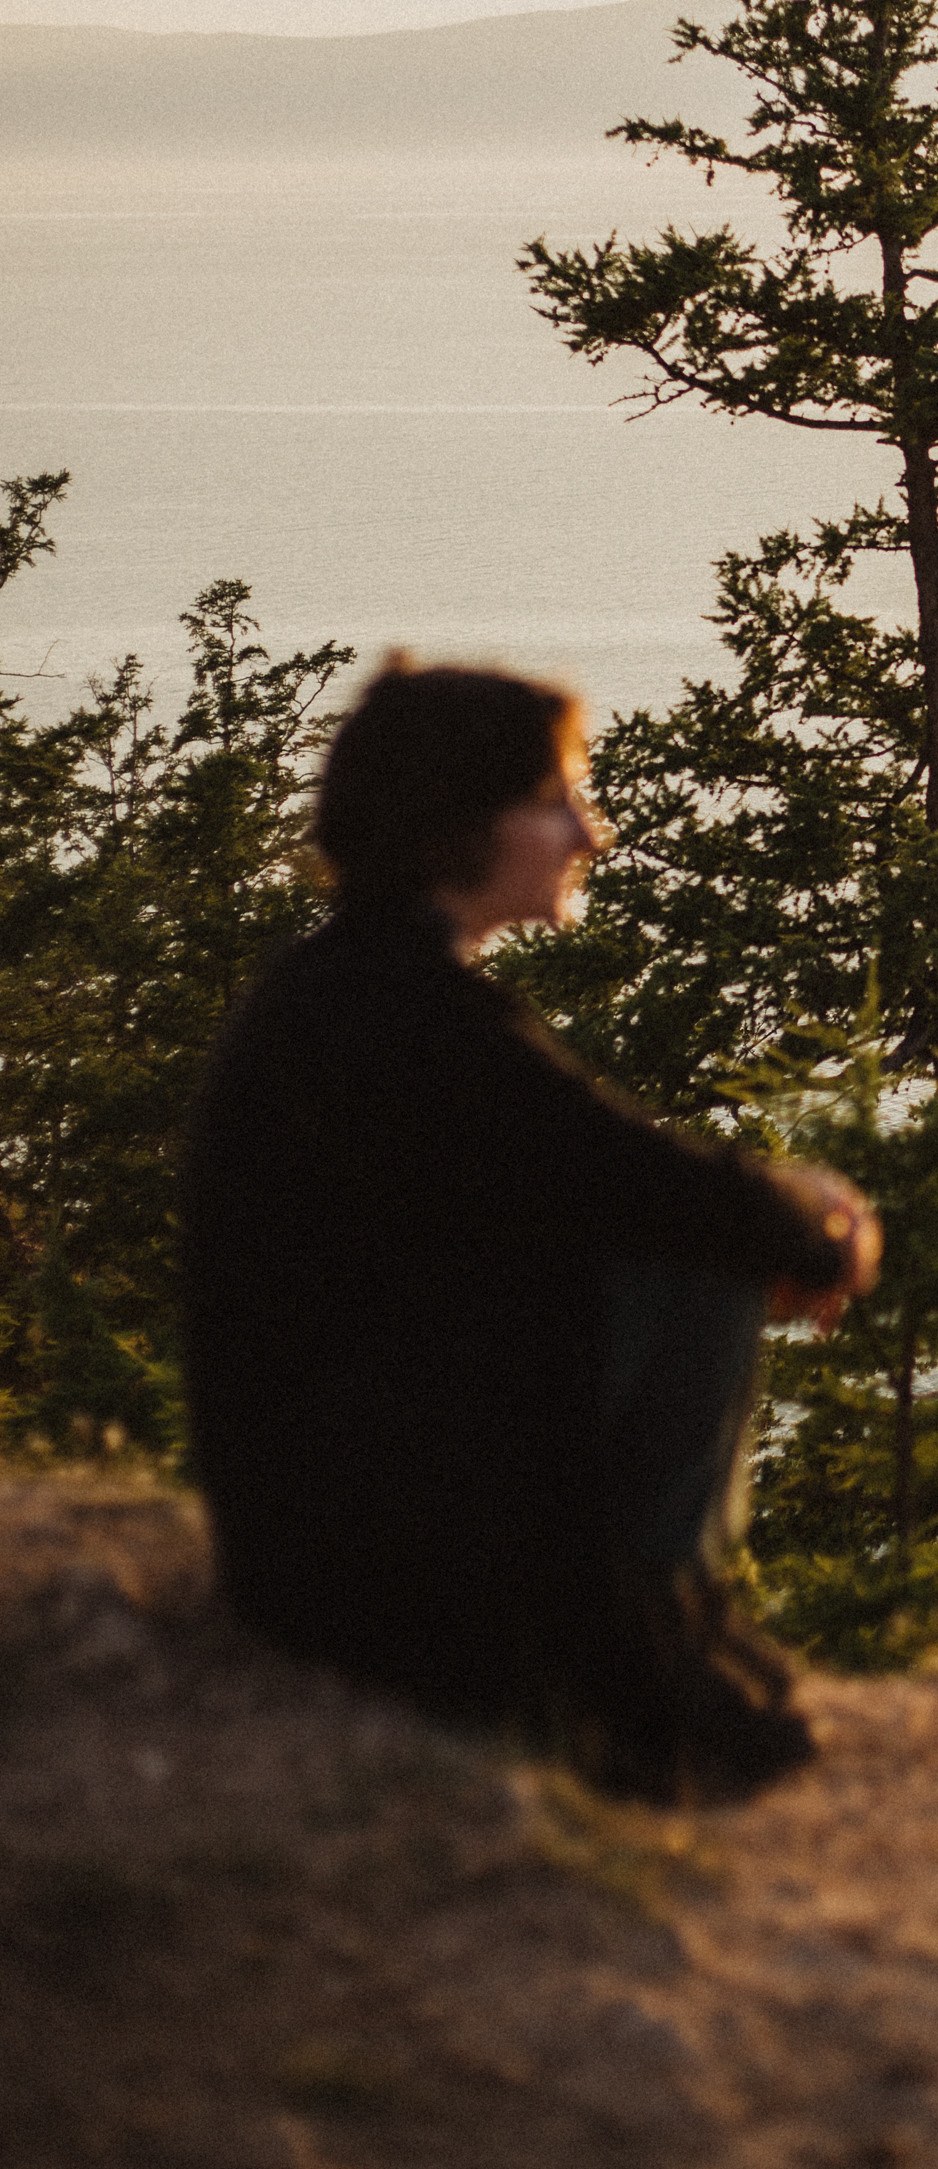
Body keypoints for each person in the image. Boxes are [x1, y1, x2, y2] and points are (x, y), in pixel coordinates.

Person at [182, 657, 879, 1800]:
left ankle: (653, 1624)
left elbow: (608, 1175)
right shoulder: (405, 1018)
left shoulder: (350, 992)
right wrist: (823, 1227)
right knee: (693, 1258)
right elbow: (660, 1188)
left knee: (676, 1242)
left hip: (317, 1543)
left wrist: (766, 1220)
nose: (588, 834)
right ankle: (644, 1642)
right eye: (558, 800)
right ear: (460, 823)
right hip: (374, 1579)